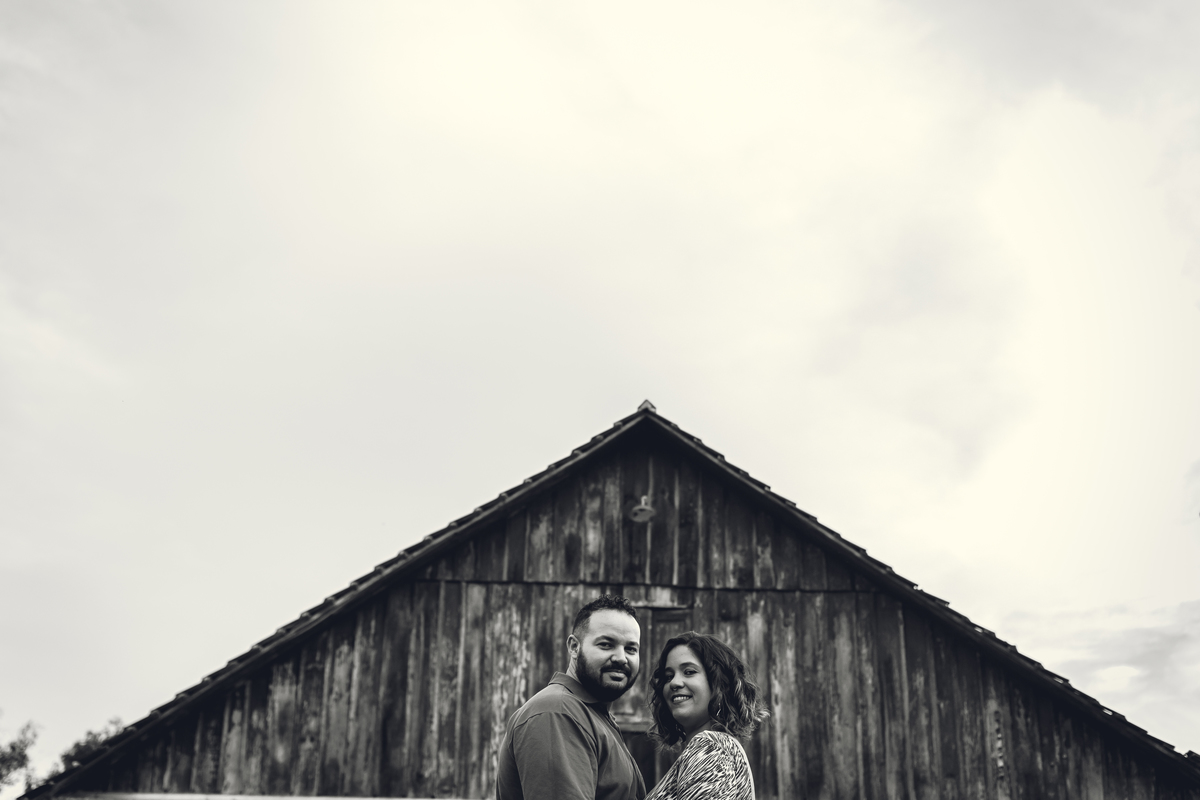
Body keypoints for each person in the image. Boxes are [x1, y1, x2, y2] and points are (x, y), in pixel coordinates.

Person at [496, 594, 647, 800]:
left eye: (631, 648)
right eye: (606, 644)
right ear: (574, 647)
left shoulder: (592, 714)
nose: (621, 658)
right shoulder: (557, 712)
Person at [645, 632, 769, 800]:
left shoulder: (710, 747)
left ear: (719, 685)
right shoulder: (715, 748)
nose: (674, 683)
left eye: (689, 672)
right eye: (668, 676)